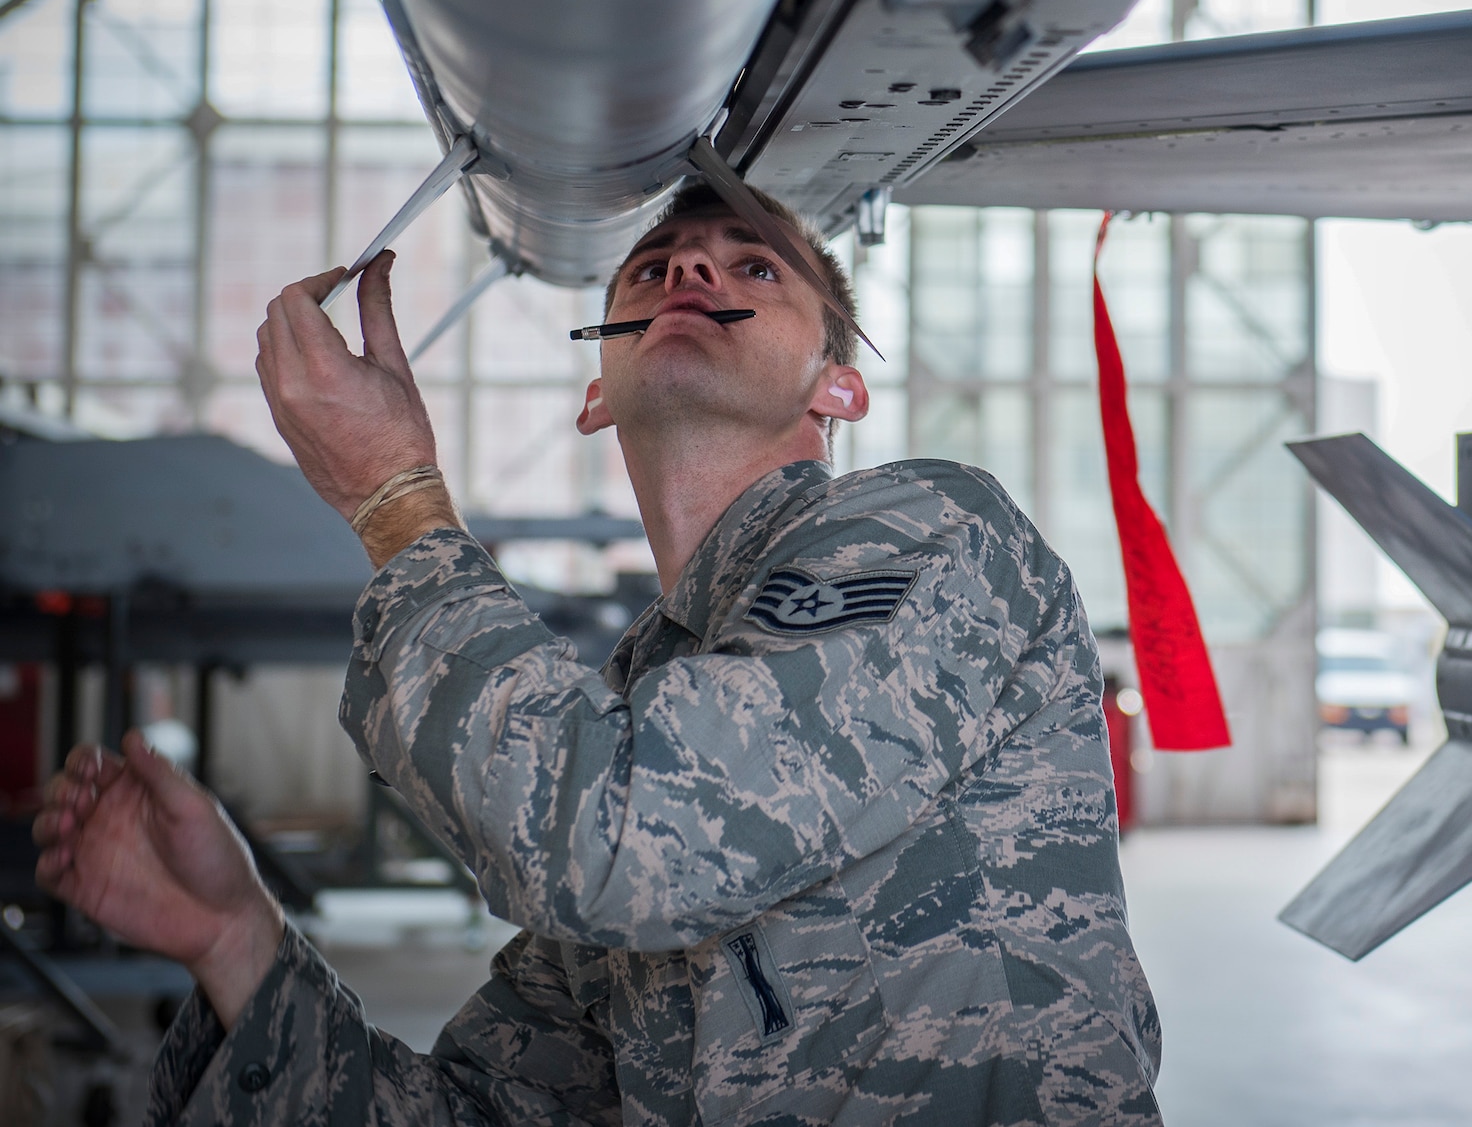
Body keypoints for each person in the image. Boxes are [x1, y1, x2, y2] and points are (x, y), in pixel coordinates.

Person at [34, 180, 1163, 1125]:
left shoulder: (932, 531)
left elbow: (635, 841)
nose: (690, 272)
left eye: (754, 268)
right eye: (651, 265)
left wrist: (394, 500)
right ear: (593, 394)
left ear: (840, 385)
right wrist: (238, 940)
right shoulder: (619, 720)